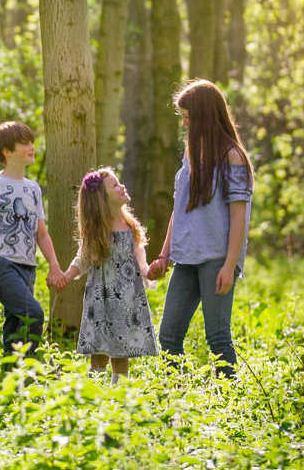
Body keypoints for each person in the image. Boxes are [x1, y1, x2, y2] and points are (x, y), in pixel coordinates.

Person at [147, 79, 253, 377]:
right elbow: (180, 209)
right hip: (186, 258)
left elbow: (238, 216)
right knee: (168, 338)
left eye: (188, 118)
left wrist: (230, 266)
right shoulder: (190, 154)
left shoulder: (232, 156)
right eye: (183, 118)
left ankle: (229, 405)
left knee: (217, 338)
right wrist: (165, 255)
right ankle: (177, 404)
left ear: (206, 116)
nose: (185, 124)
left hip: (217, 258)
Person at [0, 121, 67, 358]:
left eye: (31, 142)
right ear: (7, 151)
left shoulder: (33, 189)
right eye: (24, 143)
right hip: (1, 263)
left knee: (15, 327)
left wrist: (54, 267)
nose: (32, 147)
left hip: (28, 267)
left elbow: (41, 233)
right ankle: (31, 371)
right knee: (33, 314)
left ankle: (12, 382)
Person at [62, 167, 158, 378]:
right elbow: (83, 258)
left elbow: (139, 254)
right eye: (115, 185)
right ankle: (95, 396)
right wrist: (67, 275)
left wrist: (147, 271)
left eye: (119, 182)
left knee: (122, 353)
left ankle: (118, 400)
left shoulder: (130, 225)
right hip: (102, 299)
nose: (121, 186)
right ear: (102, 199)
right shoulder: (98, 230)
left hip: (127, 300)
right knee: (99, 351)